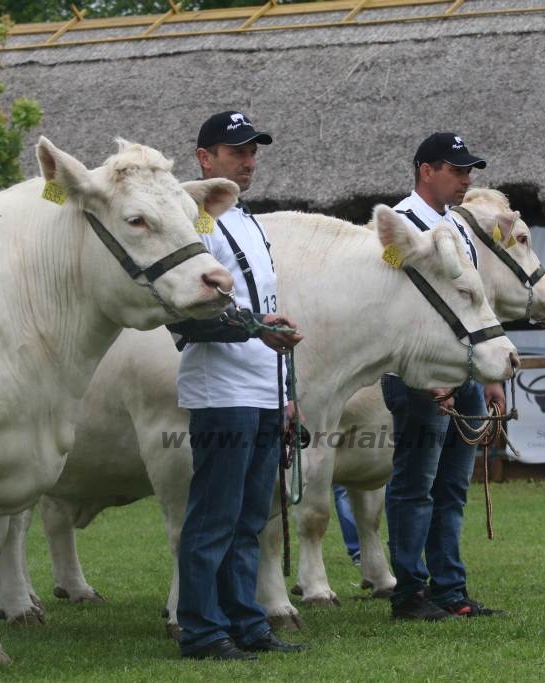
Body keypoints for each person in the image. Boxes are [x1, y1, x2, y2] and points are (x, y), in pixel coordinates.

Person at [169, 111, 306, 661]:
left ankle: (246, 624)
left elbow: (263, 309)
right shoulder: (189, 220)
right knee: (215, 517)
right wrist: (255, 329)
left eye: (252, 151)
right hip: (221, 391)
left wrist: (285, 392)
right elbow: (180, 314)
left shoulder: (247, 219)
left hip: (263, 388)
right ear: (204, 158)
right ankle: (202, 631)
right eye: (235, 152)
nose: (248, 161)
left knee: (251, 518)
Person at [382, 132, 506, 621]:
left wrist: (490, 372)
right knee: (416, 484)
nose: (466, 179)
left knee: (451, 487)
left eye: (467, 170)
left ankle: (450, 588)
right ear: (425, 171)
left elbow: (475, 302)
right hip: (420, 374)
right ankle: (410, 591)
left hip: (466, 370)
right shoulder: (396, 225)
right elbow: (388, 303)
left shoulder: (457, 225)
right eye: (456, 170)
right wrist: (420, 371)